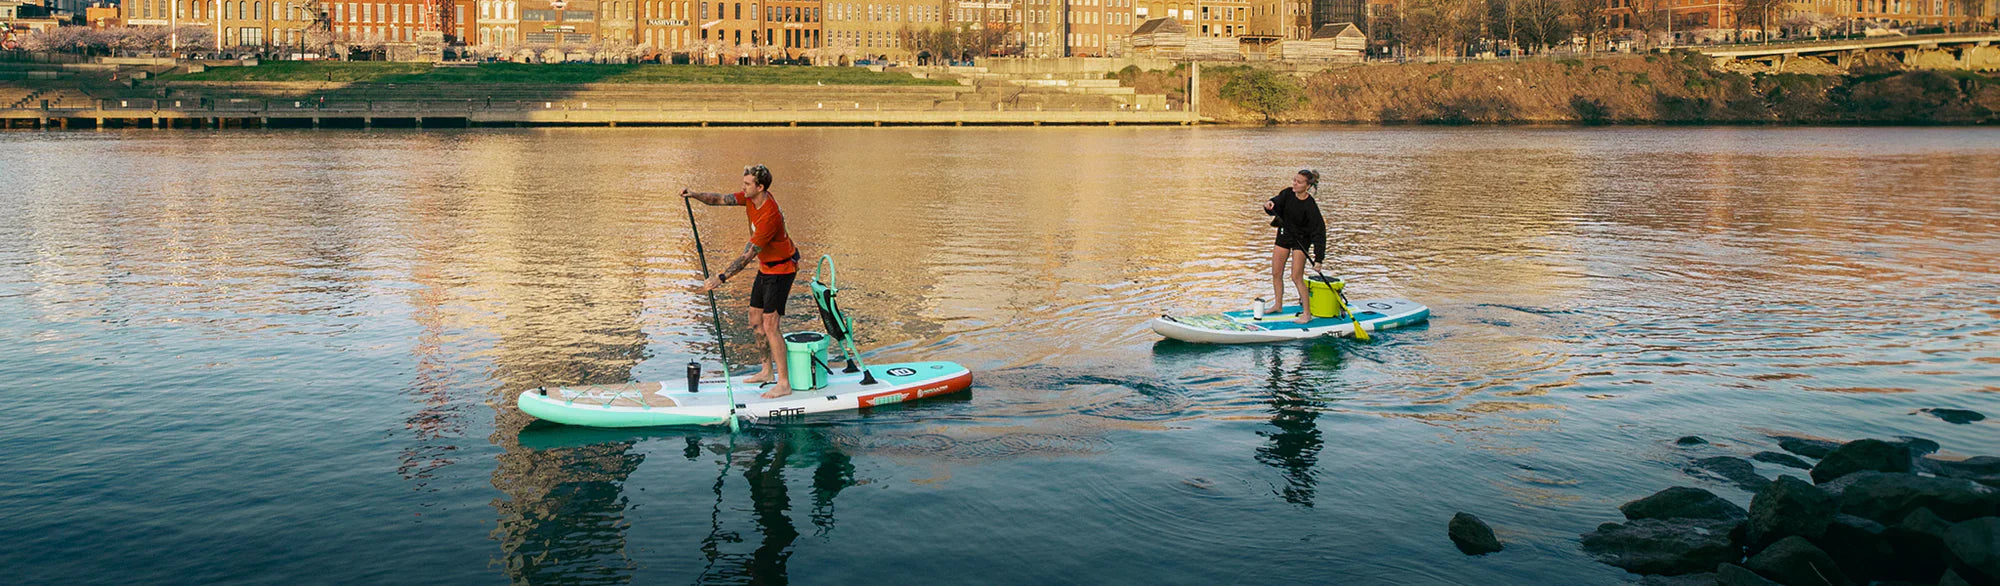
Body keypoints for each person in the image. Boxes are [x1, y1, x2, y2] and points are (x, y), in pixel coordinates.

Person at [684, 164, 803, 398]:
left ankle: (784, 383)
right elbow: (719, 200)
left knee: (771, 325)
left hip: (782, 270)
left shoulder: (770, 215)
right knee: (755, 320)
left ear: (760, 187)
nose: (743, 187)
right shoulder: (750, 199)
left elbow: (748, 255)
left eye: (747, 184)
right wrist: (694, 195)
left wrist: (721, 278)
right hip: (766, 268)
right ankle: (767, 371)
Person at [1262, 169, 1326, 324]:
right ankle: (1278, 305)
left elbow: (1319, 232)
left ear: (1307, 185)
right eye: (1294, 180)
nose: (1294, 184)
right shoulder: (1287, 194)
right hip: (1284, 236)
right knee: (1276, 273)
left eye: (1298, 182)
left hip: (1301, 241)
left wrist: (1319, 259)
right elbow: (1275, 203)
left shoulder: (1310, 206)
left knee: (1296, 277)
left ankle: (1307, 313)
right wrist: (1269, 205)